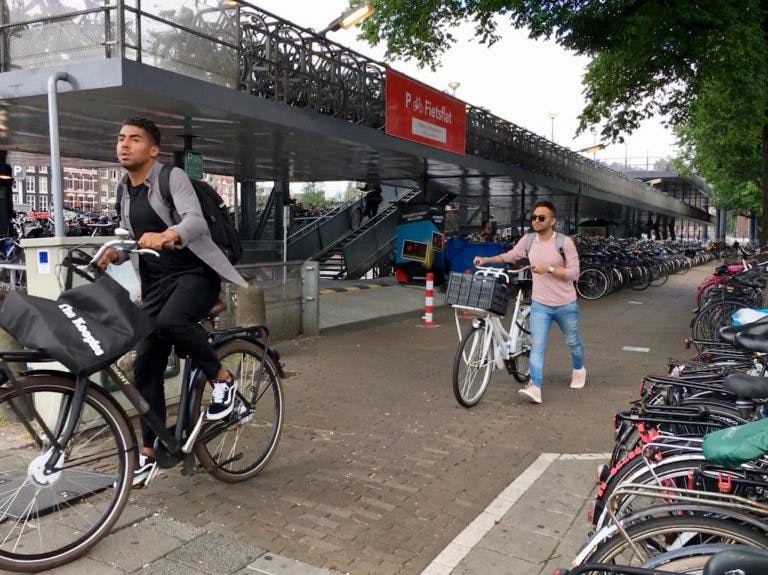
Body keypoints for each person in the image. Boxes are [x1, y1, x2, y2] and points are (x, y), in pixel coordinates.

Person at [97, 118, 248, 484]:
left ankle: (223, 379)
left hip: (194, 274)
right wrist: (115, 254)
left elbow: (195, 222)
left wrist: (167, 234)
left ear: (152, 149)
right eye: (120, 138)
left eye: (134, 139)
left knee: (171, 322)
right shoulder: (124, 190)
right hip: (156, 283)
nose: (124, 145)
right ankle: (150, 451)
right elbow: (131, 239)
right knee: (145, 365)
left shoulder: (171, 178)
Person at [473, 200, 585, 404]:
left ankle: (579, 370)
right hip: (540, 304)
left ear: (552, 221)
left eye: (541, 218)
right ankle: (535, 386)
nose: (536, 221)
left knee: (573, 342)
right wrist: (486, 259)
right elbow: (509, 256)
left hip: (565, 304)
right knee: (538, 345)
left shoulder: (564, 242)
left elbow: (575, 273)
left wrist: (550, 269)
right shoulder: (528, 241)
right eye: (533, 217)